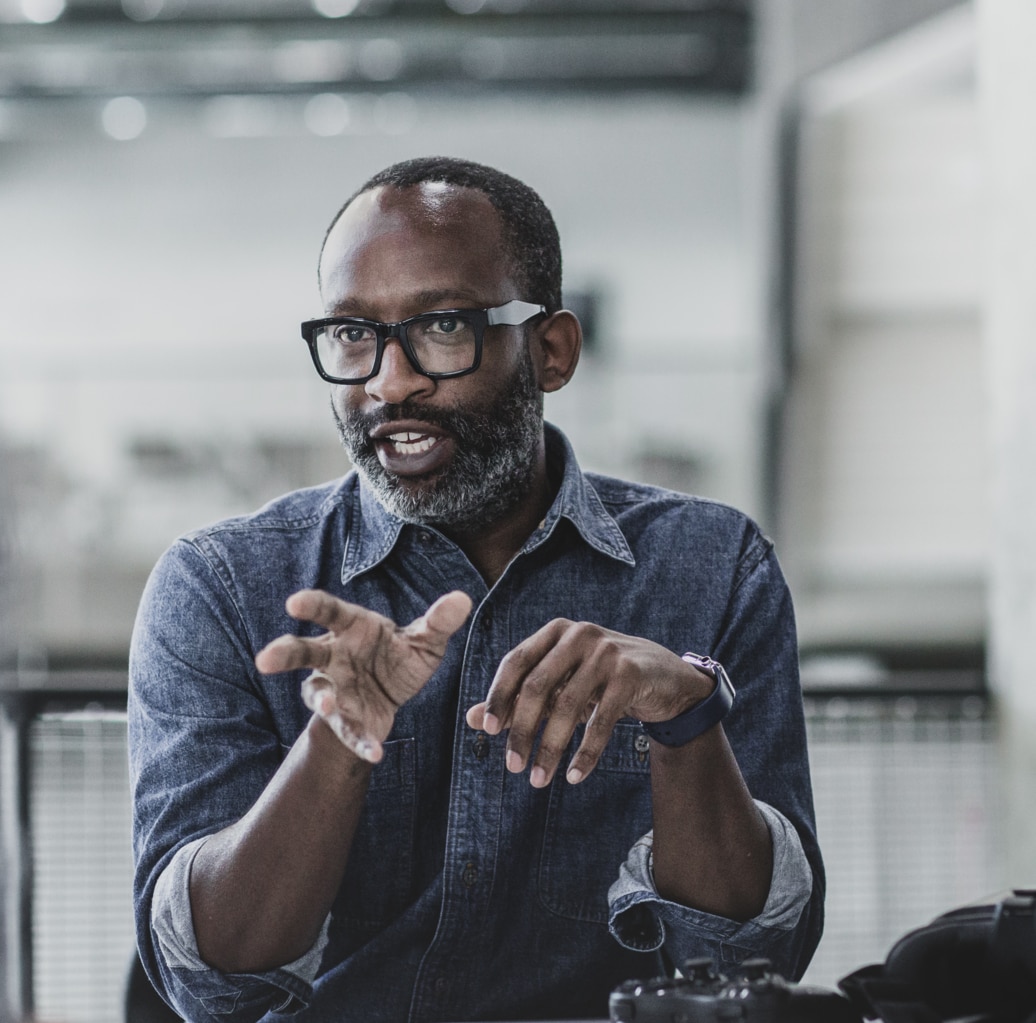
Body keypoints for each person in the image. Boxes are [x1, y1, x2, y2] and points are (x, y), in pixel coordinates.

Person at [128, 156, 824, 1023]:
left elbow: (752, 958)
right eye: (352, 335)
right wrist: (338, 742)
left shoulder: (716, 567)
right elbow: (212, 981)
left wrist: (686, 719)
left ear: (553, 350)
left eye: (444, 326)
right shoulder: (223, 586)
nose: (390, 381)